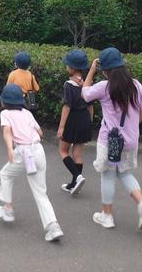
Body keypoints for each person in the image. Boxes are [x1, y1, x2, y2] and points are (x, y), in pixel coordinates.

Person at [82, 47, 142, 230]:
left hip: (110, 140)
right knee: (125, 173)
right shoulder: (136, 85)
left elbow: (85, 94)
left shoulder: (104, 87)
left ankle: (107, 216)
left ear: (105, 70)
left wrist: (91, 70)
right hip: (130, 140)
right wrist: (133, 126)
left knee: (107, 175)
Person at [0, 84, 64, 243]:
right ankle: (53, 227)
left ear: (4, 102)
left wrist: (10, 149)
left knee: (5, 174)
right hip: (38, 151)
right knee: (41, 192)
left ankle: (8, 209)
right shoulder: (27, 113)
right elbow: (40, 132)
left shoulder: (5, 113)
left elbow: (6, 131)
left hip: (23, 153)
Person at [57, 49, 93, 196]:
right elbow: (91, 105)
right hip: (84, 118)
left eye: (67, 65)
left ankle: (77, 177)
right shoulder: (87, 84)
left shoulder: (68, 84)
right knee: (77, 153)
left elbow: (67, 106)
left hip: (72, 119)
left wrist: (61, 127)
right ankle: (74, 184)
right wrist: (89, 122)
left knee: (63, 150)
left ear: (72, 68)